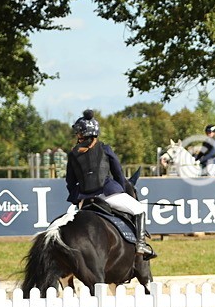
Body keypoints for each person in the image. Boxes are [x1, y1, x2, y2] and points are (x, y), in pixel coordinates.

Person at [65, 110, 156, 258]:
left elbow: (70, 181)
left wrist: (78, 197)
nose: (77, 135)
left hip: (84, 200)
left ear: (82, 134)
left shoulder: (73, 154)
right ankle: (140, 245)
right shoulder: (105, 149)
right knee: (138, 209)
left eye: (78, 133)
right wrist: (122, 191)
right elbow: (118, 173)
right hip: (108, 195)